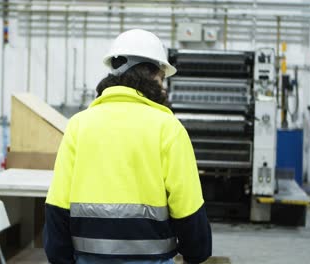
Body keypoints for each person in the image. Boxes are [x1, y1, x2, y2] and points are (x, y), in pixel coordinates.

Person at [44, 29, 212, 264]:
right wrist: (196, 252)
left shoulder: (79, 125)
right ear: (150, 73)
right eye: (162, 78)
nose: (163, 87)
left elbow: (58, 202)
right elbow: (187, 203)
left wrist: (60, 258)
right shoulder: (168, 128)